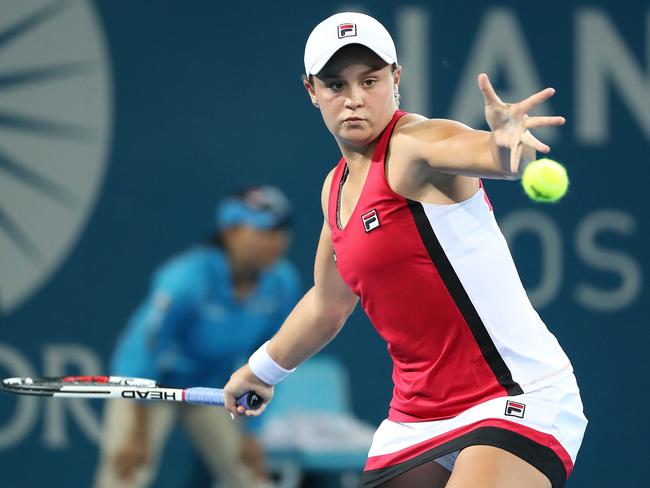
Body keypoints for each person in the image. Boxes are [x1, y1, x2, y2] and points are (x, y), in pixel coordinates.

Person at [224, 11, 587, 488]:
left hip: (514, 395)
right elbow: (328, 303)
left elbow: (481, 153)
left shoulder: (414, 145)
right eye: (335, 85)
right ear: (312, 91)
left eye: (370, 81)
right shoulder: (334, 190)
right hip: (417, 418)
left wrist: (502, 146)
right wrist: (261, 370)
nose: (355, 99)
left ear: (396, 79)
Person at [94, 186, 301, 488]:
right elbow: (143, 353)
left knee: (250, 479)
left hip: (211, 388)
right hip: (150, 386)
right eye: (263, 231)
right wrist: (136, 433)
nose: (275, 242)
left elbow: (268, 363)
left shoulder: (282, 283)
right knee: (125, 475)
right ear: (230, 231)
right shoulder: (185, 278)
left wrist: (252, 434)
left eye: (281, 232)